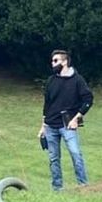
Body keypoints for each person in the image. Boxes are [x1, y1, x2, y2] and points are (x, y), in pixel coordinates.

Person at [37, 49, 94, 191]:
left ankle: (83, 185)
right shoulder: (51, 81)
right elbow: (47, 104)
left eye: (56, 60)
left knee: (75, 153)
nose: (53, 63)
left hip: (67, 124)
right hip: (50, 125)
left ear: (65, 61)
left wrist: (76, 118)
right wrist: (43, 126)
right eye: (52, 61)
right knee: (53, 158)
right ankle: (57, 188)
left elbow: (88, 99)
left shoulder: (77, 80)